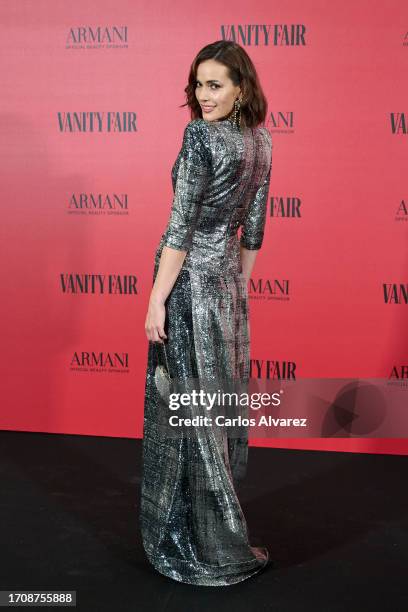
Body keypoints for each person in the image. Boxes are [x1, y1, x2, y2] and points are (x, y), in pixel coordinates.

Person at [140, 40, 273, 586]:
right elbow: (256, 231)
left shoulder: (200, 137)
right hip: (224, 290)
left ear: (242, 87)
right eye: (198, 84)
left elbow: (180, 226)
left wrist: (155, 298)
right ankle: (219, 530)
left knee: (185, 410)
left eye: (215, 84)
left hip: (189, 283)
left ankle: (197, 541)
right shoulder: (262, 143)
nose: (203, 95)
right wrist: (234, 292)